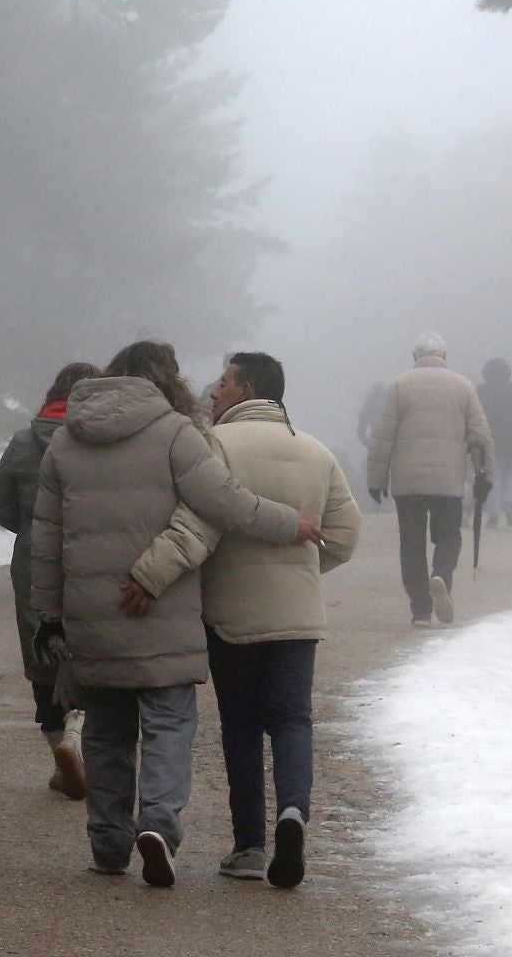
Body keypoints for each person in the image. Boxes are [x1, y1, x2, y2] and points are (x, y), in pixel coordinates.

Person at [29, 340, 322, 887]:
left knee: (106, 733)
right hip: (160, 611)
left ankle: (108, 845)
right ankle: (158, 825)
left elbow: (45, 538)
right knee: (167, 725)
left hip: (91, 616)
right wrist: (291, 524)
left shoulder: (66, 441)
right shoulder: (174, 433)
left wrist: (47, 615)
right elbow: (226, 502)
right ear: (165, 380)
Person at [124, 352, 361, 889]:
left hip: (231, 613)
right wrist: (301, 570)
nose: (213, 392)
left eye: (223, 383)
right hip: (298, 613)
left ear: (247, 388)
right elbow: (345, 536)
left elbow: (198, 523)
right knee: (293, 721)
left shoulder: (216, 445)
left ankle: (250, 847)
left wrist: (149, 577)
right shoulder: (316, 451)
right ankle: (293, 812)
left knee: (242, 727)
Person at [0, 361, 100, 800]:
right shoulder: (105, 443)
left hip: (35, 560)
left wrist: (32, 530)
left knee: (43, 649)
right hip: (95, 555)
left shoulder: (24, 441)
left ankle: (60, 747)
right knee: (94, 645)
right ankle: (82, 730)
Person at [366, 334, 493, 626]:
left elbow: (384, 436)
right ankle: (442, 576)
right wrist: (485, 476)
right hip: (448, 480)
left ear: (415, 356)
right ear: (445, 356)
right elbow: (481, 436)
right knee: (448, 536)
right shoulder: (463, 386)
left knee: (411, 544)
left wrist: (376, 478)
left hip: (407, 481)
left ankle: (421, 611)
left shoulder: (400, 385)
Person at [477, 358, 512, 528]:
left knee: (494, 476)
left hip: (491, 438)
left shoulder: (482, 391)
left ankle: (494, 515)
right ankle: (510, 504)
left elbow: (475, 414)